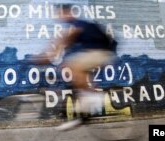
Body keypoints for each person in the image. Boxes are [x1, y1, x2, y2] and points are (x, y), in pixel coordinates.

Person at [36, 3, 117, 131]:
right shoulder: (75, 26)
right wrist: (54, 52)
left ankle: (95, 97)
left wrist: (48, 56)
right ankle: (81, 114)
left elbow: (66, 39)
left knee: (72, 65)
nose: (60, 17)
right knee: (77, 76)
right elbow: (63, 42)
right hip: (99, 53)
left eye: (61, 14)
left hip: (102, 53)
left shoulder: (78, 24)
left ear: (68, 13)